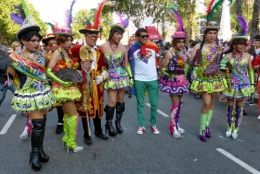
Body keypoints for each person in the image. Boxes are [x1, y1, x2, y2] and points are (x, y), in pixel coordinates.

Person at [6, 5, 56, 170]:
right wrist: (8, 69)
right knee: (38, 124)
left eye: (37, 40)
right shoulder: (15, 57)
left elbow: (47, 71)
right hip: (29, 94)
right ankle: (34, 154)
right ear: (23, 41)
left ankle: (40, 150)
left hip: (43, 92)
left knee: (43, 121)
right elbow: (12, 75)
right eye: (32, 40)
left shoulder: (42, 56)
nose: (36, 43)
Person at [71, 2, 110, 144]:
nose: (94, 38)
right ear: (85, 36)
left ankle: (99, 131)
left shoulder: (99, 51)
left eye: (96, 36)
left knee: (98, 107)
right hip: (84, 84)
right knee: (85, 108)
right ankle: (87, 135)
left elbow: (106, 67)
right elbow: (71, 65)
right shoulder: (76, 49)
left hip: (97, 85)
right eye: (91, 36)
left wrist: (103, 76)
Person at [190, 21, 227, 141]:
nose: (212, 35)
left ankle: (206, 126)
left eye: (214, 33)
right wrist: (194, 62)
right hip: (203, 79)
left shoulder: (219, 47)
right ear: (205, 34)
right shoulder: (198, 47)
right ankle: (201, 129)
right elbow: (191, 61)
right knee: (206, 103)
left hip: (216, 78)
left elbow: (221, 62)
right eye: (210, 33)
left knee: (211, 103)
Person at [221, 16, 254, 139]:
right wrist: (225, 81)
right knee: (230, 106)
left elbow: (250, 70)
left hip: (244, 84)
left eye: (243, 43)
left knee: (240, 108)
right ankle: (229, 126)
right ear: (234, 45)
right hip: (231, 83)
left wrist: (252, 84)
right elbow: (223, 71)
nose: (241, 45)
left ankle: (236, 128)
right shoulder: (228, 56)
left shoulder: (247, 56)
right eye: (239, 43)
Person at [99, 13, 133, 137]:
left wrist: (131, 77)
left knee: (120, 101)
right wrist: (101, 75)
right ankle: (108, 124)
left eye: (121, 34)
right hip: (110, 76)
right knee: (112, 101)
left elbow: (127, 64)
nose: (119, 36)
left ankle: (118, 122)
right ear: (112, 33)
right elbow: (99, 63)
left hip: (122, 76)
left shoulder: (124, 48)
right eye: (117, 34)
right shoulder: (102, 47)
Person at [128, 28, 160, 135]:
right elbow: (128, 62)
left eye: (147, 36)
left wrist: (160, 71)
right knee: (140, 103)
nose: (146, 38)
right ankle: (141, 125)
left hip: (153, 79)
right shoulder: (132, 49)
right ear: (137, 37)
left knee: (154, 104)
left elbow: (158, 59)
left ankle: (153, 124)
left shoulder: (153, 47)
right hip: (139, 79)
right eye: (143, 36)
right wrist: (131, 77)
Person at [159, 26, 189, 138]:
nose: (181, 44)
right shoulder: (169, 54)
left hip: (182, 80)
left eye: (182, 42)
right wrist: (169, 75)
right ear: (174, 42)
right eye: (179, 42)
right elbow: (163, 68)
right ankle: (172, 127)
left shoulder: (184, 53)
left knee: (180, 104)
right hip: (173, 81)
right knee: (175, 104)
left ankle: (176, 124)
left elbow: (186, 65)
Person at [42, 33, 65, 134]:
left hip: (60, 83)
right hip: (47, 82)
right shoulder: (45, 56)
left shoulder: (62, 53)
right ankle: (39, 124)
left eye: (54, 43)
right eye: (50, 43)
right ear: (47, 45)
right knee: (47, 104)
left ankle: (61, 122)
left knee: (61, 103)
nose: (53, 45)